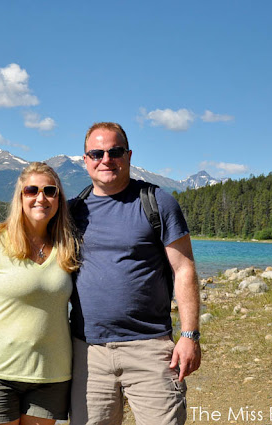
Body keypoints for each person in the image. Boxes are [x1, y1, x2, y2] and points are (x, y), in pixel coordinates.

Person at [69, 122, 202, 425]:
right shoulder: (72, 210)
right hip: (87, 352)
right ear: (85, 160)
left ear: (128, 156)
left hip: (150, 348)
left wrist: (189, 335)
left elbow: (184, 269)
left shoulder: (157, 202)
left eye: (115, 152)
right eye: (97, 153)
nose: (106, 159)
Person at [0, 162, 79, 425]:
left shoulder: (68, 246)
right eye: (31, 190)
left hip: (51, 376)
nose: (40, 198)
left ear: (59, 199)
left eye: (49, 191)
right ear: (20, 197)